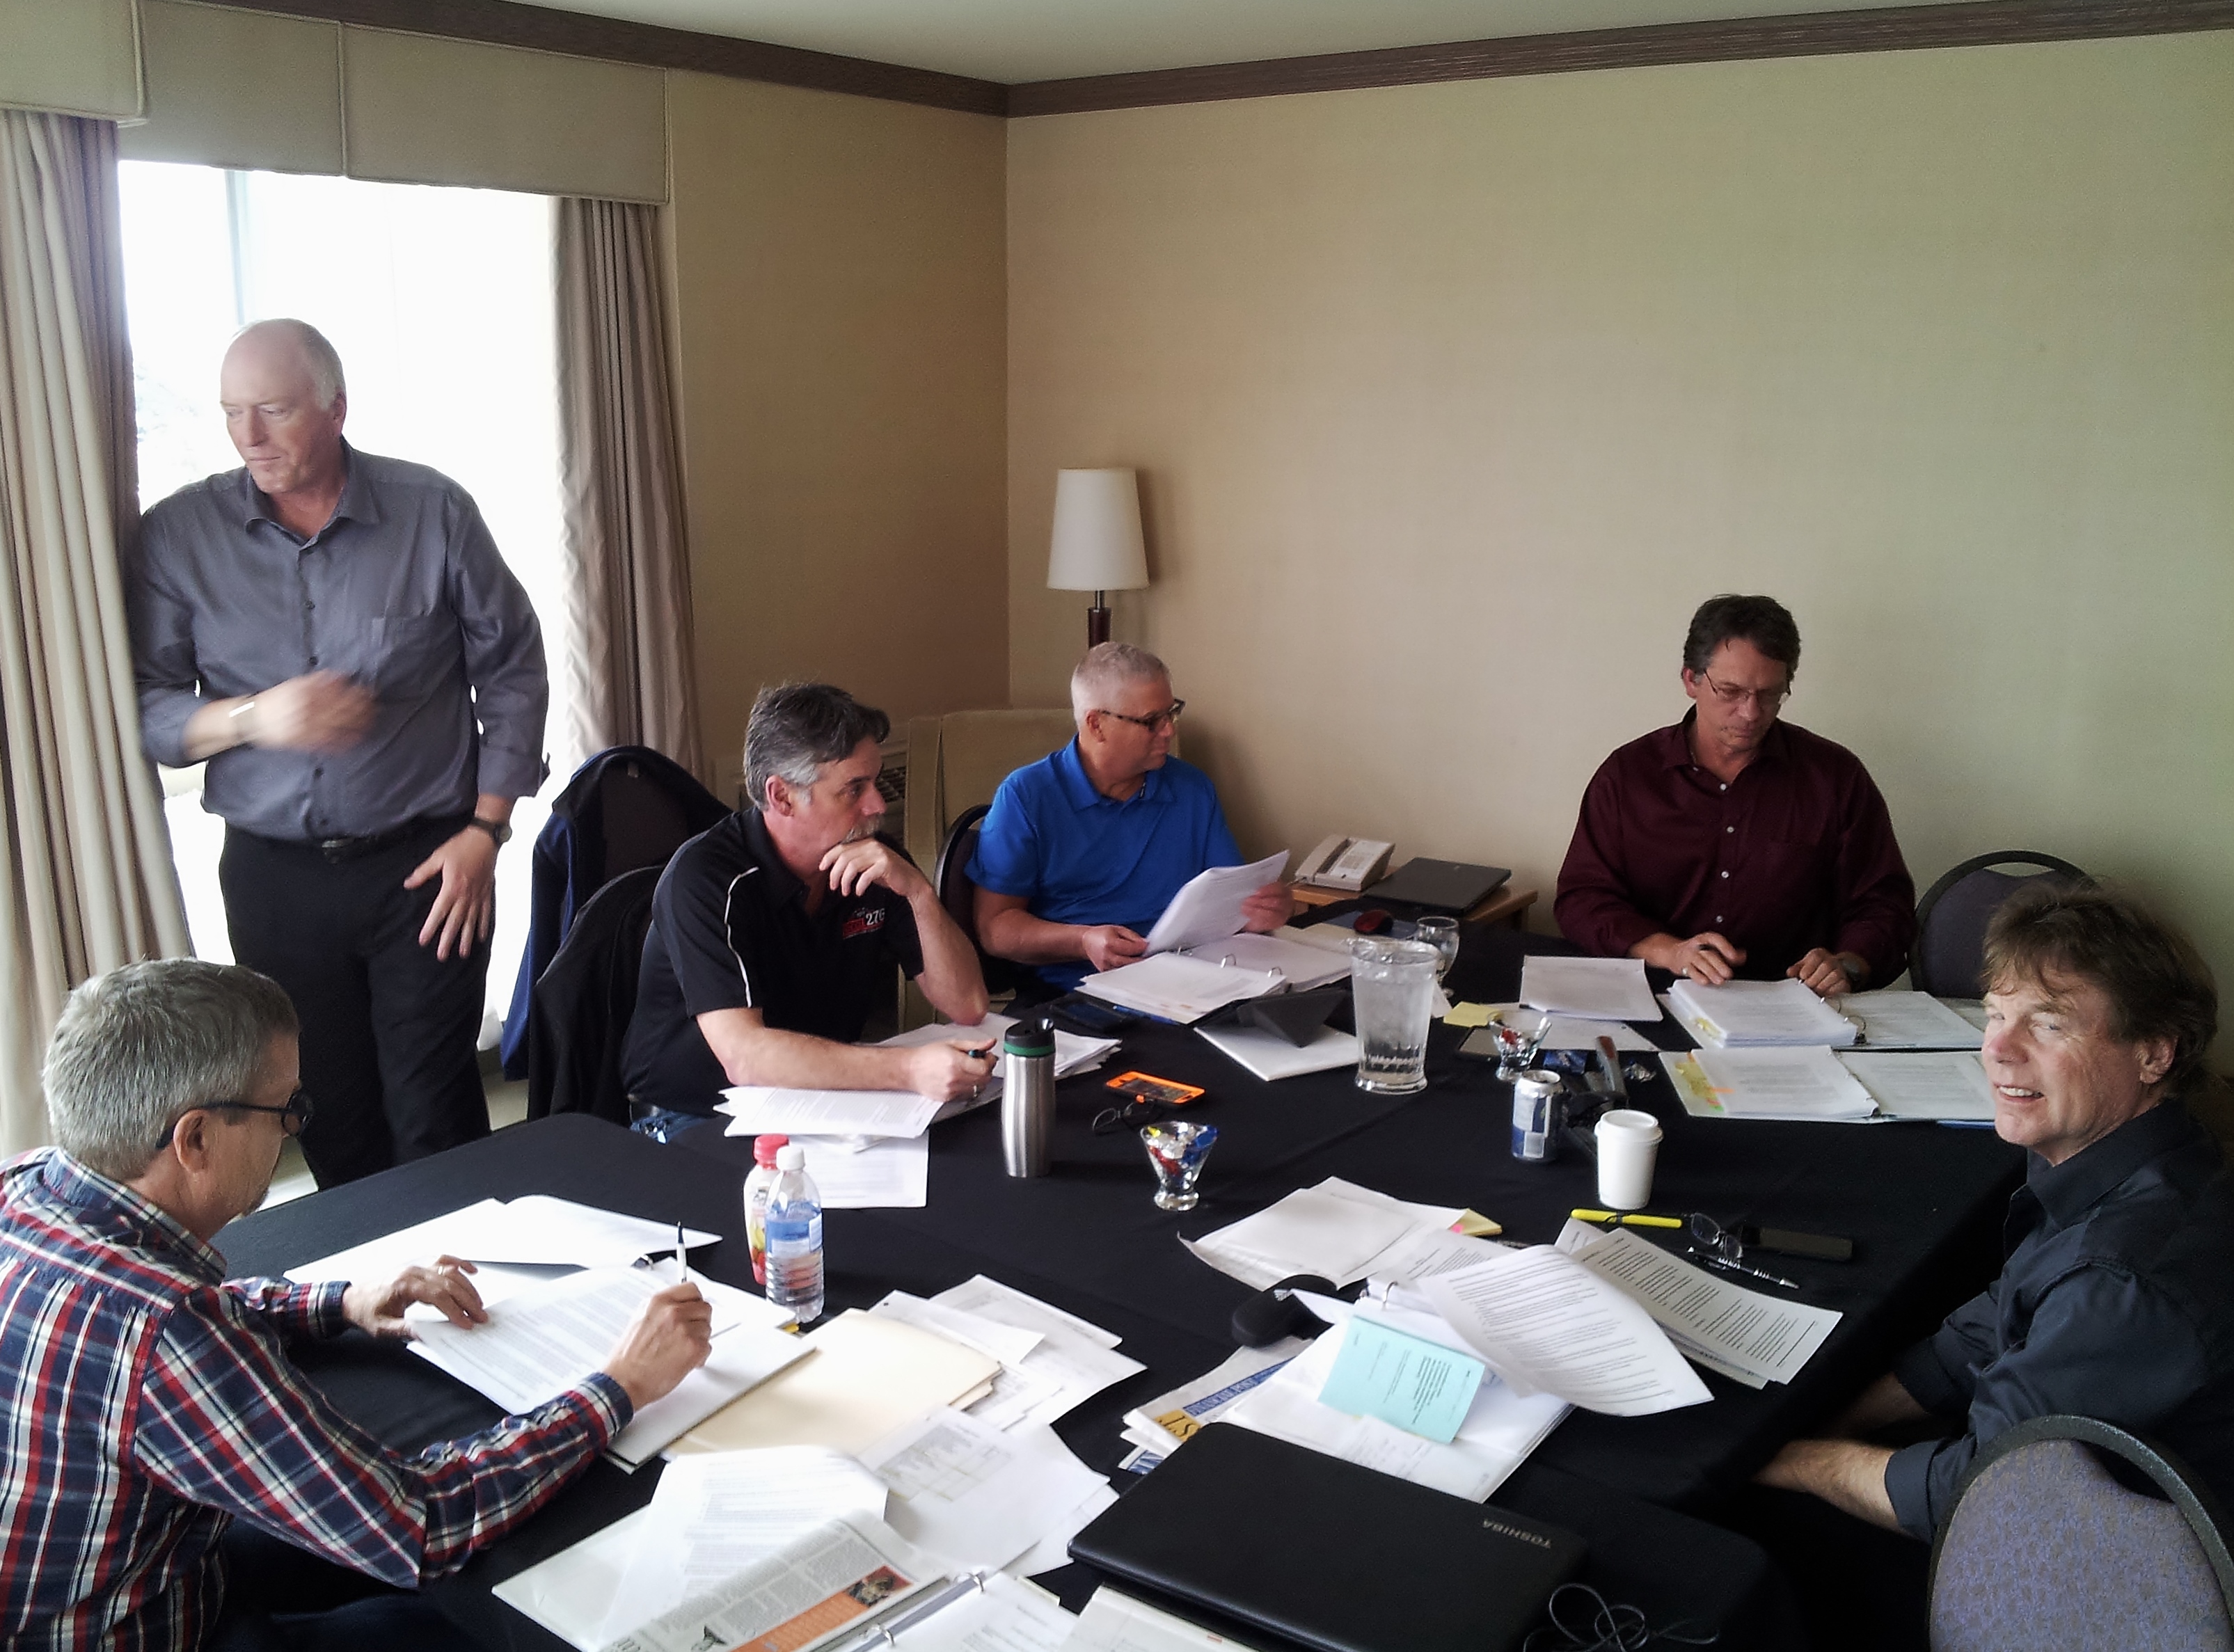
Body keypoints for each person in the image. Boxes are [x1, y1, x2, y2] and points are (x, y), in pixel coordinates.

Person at [1, 959, 711, 1651]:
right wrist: (620, 1386)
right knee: (483, 1625)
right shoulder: (169, 1334)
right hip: (148, 1624)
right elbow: (422, 1523)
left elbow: (158, 1319)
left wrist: (341, 1301)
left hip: (115, 1574)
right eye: (288, 1109)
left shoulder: (26, 1187)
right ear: (195, 1138)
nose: (295, 1129)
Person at [128, 319, 548, 1187]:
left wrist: (487, 832)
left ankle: (461, 1268)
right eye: (232, 412)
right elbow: (146, 707)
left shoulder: (433, 512)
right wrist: (254, 717)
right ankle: (368, 1274)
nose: (249, 435)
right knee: (325, 1107)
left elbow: (511, 668)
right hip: (273, 878)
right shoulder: (178, 535)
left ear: (335, 408)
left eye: (274, 410)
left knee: (435, 1110)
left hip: (428, 865)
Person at [1754, 885, 2231, 1624]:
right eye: (1997, 1014)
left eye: (2049, 1023)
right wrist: (1831, 1421)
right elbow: (1982, 1333)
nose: (1998, 1048)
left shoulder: (2122, 1279)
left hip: (2119, 1587)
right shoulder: (2129, 1157)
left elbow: (1976, 1492)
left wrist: (1790, 1459)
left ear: (2154, 1052)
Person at [621, 683, 992, 1131]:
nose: (877, 804)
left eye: (874, 782)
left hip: (815, 1096)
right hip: (696, 1115)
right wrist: (909, 1069)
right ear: (781, 797)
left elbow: (968, 1005)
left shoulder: (873, 858)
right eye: (854, 789)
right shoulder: (706, 879)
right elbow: (745, 1057)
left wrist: (918, 892)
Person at [1553, 594, 1915, 996]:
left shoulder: (1835, 778)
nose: (1750, 713)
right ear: (1691, 680)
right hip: (1654, 994)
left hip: (1792, 1003)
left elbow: (1885, 906)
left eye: (1769, 694)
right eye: (1730, 691)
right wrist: (1669, 951)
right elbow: (1582, 899)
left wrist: (1847, 964)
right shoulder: (1629, 776)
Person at [970, 642, 1292, 992]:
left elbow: (1230, 900)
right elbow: (995, 930)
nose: (1169, 730)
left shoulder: (1192, 788)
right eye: (1152, 721)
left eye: (1171, 713)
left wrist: (1260, 911)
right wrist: (1082, 941)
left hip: (1191, 979)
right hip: (1077, 990)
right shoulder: (1026, 796)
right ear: (1096, 724)